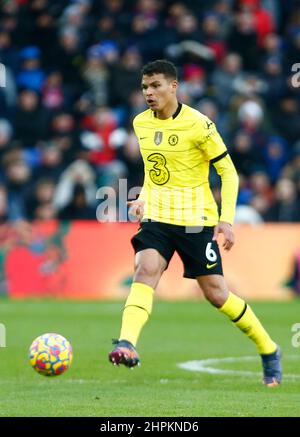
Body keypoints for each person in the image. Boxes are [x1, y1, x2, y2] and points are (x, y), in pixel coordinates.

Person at [108, 60, 281, 387]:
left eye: (156, 85)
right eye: (145, 86)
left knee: (217, 294)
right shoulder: (140, 123)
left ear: (174, 86)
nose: (149, 92)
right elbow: (154, 169)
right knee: (145, 269)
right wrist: (145, 195)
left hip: (195, 221)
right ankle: (127, 343)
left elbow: (228, 172)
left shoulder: (200, 125)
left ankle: (269, 349)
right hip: (158, 218)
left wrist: (226, 219)